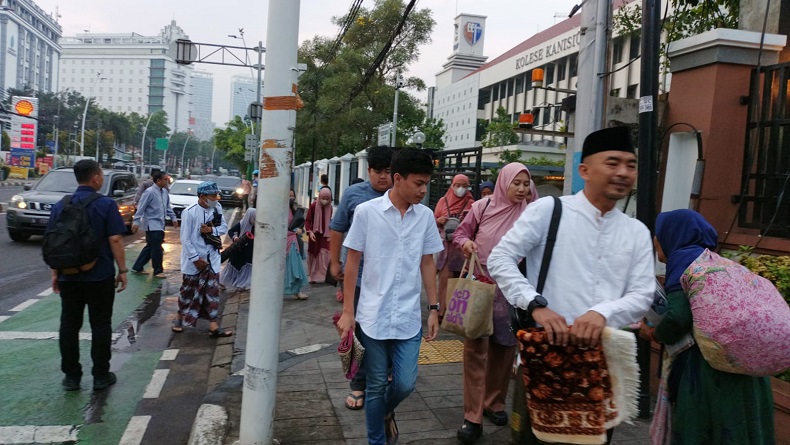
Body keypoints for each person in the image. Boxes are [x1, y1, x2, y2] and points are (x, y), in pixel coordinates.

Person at [488, 126, 655, 443]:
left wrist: (602, 313)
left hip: (600, 366)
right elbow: (501, 258)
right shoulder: (550, 211)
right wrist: (536, 305)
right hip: (543, 359)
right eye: (612, 162)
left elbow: (643, 294)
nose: (623, 172)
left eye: (630, 165)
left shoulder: (635, 232)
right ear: (585, 170)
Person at [337, 148, 444, 445]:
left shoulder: (425, 217)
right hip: (372, 315)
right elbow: (353, 262)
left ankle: (383, 412)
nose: (424, 190)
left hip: (409, 317)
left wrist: (434, 308)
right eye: (419, 183)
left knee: (406, 384)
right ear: (398, 179)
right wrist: (349, 310)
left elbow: (427, 262)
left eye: (427, 184)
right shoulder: (367, 213)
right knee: (373, 385)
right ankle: (376, 440)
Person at [644, 209, 775, 445]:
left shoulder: (684, 260)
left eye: (659, 235)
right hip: (742, 364)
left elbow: (677, 318)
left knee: (702, 431)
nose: (655, 242)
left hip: (706, 373)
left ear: (672, 235)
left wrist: (654, 333)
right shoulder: (718, 261)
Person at [452, 163, 538, 442]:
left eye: (526, 183)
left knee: (505, 348)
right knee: (475, 349)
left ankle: (494, 402)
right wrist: (466, 245)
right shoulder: (483, 207)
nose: (523, 189)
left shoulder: (535, 212)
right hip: (482, 282)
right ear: (504, 183)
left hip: (514, 289)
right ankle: (472, 416)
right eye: (517, 183)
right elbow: (460, 234)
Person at [46, 159, 128, 391]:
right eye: (101, 174)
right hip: (99, 276)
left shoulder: (61, 205)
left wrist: (55, 273)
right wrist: (122, 271)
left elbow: (54, 242)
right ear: (95, 178)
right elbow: (115, 239)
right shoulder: (105, 205)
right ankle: (101, 376)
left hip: (68, 275)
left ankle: (72, 377)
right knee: (100, 325)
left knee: (69, 326)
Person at [329, 145, 394, 411]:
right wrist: (334, 262)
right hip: (357, 278)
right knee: (358, 332)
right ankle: (358, 383)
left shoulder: (400, 196)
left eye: (388, 172)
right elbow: (337, 228)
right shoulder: (355, 194)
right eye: (378, 171)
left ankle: (386, 371)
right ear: (369, 171)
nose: (383, 177)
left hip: (389, 279)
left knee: (388, 330)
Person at [174, 181, 232, 337]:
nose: (216, 198)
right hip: (194, 260)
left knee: (212, 292)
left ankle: (213, 325)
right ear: (202, 196)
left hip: (212, 258)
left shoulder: (217, 208)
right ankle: (179, 317)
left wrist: (211, 229)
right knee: (188, 290)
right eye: (213, 195)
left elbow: (224, 228)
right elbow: (185, 239)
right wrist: (195, 259)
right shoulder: (190, 212)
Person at [434, 174, 474, 322]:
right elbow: (434, 219)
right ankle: (442, 311)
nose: (460, 189)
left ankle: (456, 312)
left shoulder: (471, 203)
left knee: (460, 281)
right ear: (452, 185)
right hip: (447, 247)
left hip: (462, 248)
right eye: (458, 185)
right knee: (445, 279)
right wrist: (439, 220)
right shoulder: (443, 201)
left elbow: (476, 222)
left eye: (464, 185)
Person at [131, 170, 178, 277]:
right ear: (158, 180)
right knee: (157, 247)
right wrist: (136, 221)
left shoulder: (165, 192)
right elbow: (141, 207)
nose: (167, 181)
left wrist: (173, 218)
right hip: (151, 224)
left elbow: (167, 207)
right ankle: (158, 270)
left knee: (151, 246)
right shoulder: (149, 192)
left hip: (160, 223)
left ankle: (138, 266)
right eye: (165, 180)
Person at [220, 208, 256, 289]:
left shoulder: (255, 227)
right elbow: (230, 231)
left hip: (249, 249)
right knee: (233, 265)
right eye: (254, 218)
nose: (255, 220)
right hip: (239, 248)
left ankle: (245, 283)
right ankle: (222, 281)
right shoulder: (241, 224)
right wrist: (235, 237)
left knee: (247, 266)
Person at [305, 188, 333, 283]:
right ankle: (312, 277)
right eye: (323, 197)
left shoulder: (330, 207)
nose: (325, 200)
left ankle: (323, 275)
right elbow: (308, 220)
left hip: (326, 235)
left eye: (327, 198)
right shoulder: (313, 206)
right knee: (314, 254)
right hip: (315, 235)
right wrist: (310, 231)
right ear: (320, 196)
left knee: (325, 255)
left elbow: (330, 221)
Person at [285, 189, 309, 300]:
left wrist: (299, 229)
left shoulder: (292, 210)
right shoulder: (281, 211)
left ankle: (297, 291)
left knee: (297, 267)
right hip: (284, 242)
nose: (291, 198)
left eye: (292, 196)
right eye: (289, 195)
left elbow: (298, 225)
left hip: (294, 242)